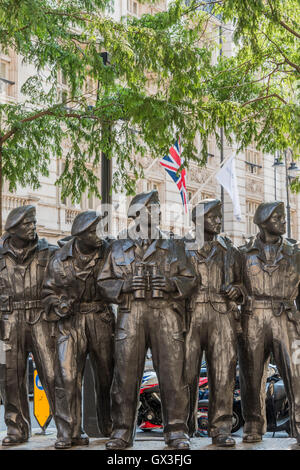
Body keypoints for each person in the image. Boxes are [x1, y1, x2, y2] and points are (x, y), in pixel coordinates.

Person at [98, 190, 196, 450]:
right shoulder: (118, 246)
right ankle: (121, 431)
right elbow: (103, 282)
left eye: (158, 208)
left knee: (173, 375)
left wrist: (172, 283)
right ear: (138, 215)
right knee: (125, 377)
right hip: (131, 315)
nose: (159, 212)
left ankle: (176, 431)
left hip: (166, 314)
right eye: (153, 208)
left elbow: (190, 279)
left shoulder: (174, 245)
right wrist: (126, 285)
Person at [42, 210, 115, 449]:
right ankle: (68, 432)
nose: (99, 235)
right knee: (67, 377)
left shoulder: (108, 251)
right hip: (70, 322)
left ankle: (111, 427)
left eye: (99, 229)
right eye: (93, 231)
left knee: (108, 376)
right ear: (80, 235)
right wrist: (58, 304)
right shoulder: (59, 258)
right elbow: (47, 293)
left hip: (100, 318)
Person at [238, 201, 300, 444]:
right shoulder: (243, 253)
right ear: (263, 223)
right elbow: (233, 285)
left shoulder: (296, 253)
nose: (284, 222)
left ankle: (298, 425)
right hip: (253, 316)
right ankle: (253, 425)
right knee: (251, 375)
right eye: (278, 219)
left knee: (296, 373)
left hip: (286, 317)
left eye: (284, 218)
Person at [185, 199, 244, 447]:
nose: (219, 221)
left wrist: (237, 291)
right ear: (199, 220)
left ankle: (221, 429)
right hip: (192, 314)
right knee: (185, 374)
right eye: (213, 217)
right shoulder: (183, 248)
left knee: (223, 374)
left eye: (219, 216)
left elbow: (244, 285)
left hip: (222, 315)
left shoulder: (229, 249)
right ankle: (183, 428)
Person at [0, 205, 58, 446]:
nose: (32, 226)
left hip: (40, 317)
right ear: (12, 230)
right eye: (26, 224)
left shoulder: (50, 252)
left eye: (33, 222)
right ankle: (16, 428)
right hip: (7, 321)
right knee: (8, 377)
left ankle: (68, 427)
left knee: (54, 373)